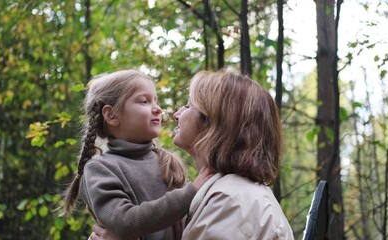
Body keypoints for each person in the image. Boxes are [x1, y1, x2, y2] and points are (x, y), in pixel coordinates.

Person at [91, 70, 294, 239]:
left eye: (188, 106)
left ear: (213, 123)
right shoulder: (224, 193)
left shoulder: (229, 201)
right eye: (144, 102)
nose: (175, 114)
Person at [62, 69, 213, 240]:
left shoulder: (167, 161)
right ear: (111, 115)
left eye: (156, 101)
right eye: (144, 102)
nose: (157, 109)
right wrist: (191, 193)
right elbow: (124, 222)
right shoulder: (100, 169)